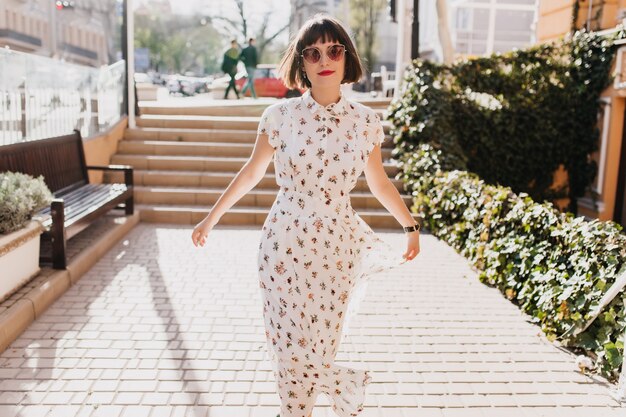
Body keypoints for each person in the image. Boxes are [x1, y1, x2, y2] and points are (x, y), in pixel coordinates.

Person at [191, 14, 420, 417]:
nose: (324, 59)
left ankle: (312, 401)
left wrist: (410, 226)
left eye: (334, 50)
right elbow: (251, 173)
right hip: (283, 242)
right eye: (312, 53)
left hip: (336, 248)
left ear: (347, 58)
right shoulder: (279, 118)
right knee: (288, 344)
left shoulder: (366, 123)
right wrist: (211, 218)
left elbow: (379, 182)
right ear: (302, 64)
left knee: (320, 343)